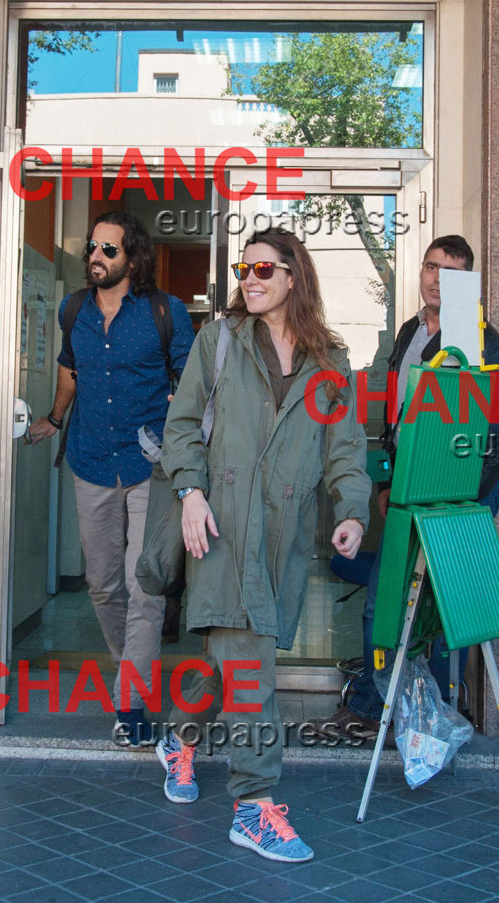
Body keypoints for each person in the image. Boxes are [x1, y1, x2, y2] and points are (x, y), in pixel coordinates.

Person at [154, 229, 371, 864]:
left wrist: (352, 512)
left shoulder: (330, 363)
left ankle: (178, 738)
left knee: (228, 657)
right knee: (250, 666)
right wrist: (190, 491)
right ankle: (253, 804)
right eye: (243, 269)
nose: (249, 279)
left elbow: (345, 448)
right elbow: (182, 424)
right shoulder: (219, 341)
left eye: (263, 269)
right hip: (219, 526)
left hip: (283, 536)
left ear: (293, 277)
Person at [309, 233, 499, 743]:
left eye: (451, 271)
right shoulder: (408, 332)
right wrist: (389, 480)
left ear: (468, 283)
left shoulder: (481, 340)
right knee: (384, 603)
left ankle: (433, 717)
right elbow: (399, 418)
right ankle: (372, 707)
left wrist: (460, 495)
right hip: (409, 488)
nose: (436, 278)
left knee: (440, 612)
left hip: (458, 496)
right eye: (430, 266)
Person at [30, 211, 194, 746]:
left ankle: (130, 703)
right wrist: (55, 418)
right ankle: (134, 678)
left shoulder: (166, 312)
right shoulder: (73, 308)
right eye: (92, 247)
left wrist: (177, 426)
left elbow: (193, 382)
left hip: (149, 466)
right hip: (92, 461)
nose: (95, 256)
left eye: (109, 249)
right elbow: (69, 368)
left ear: (134, 258)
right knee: (103, 586)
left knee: (144, 586)